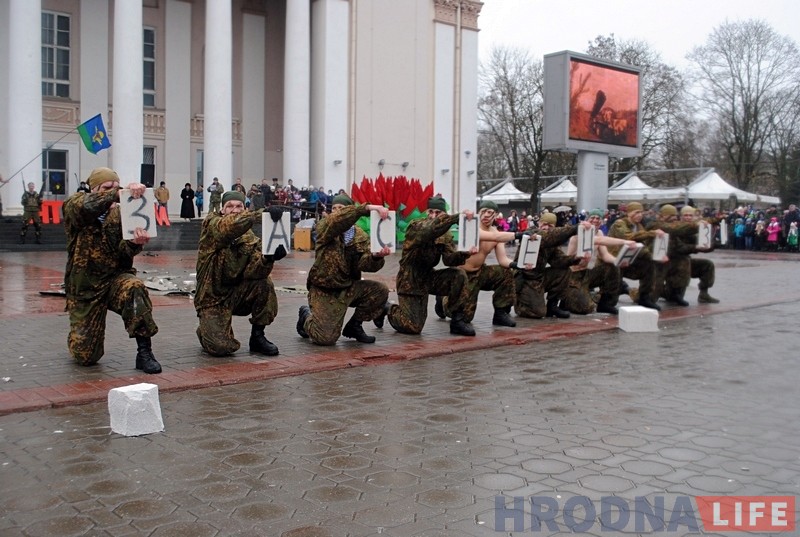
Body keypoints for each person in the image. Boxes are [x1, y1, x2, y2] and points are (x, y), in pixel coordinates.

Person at [62, 167, 162, 374]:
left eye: (116, 187)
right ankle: (78, 335)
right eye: (107, 187)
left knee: (135, 288)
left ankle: (144, 352)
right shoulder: (75, 206)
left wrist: (135, 244)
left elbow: (123, 253)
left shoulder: (121, 214)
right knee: (87, 357)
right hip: (86, 289)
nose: (115, 192)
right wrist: (116, 193)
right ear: (93, 189)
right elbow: (83, 207)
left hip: (114, 281)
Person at [194, 191, 287, 357]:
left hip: (237, 294)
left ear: (244, 208)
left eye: (239, 206)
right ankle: (206, 329)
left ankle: (258, 336)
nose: (235, 209)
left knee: (264, 283)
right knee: (221, 348)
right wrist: (259, 215)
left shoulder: (250, 239)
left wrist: (268, 258)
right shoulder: (211, 223)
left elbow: (254, 272)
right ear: (222, 210)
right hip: (212, 298)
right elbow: (228, 228)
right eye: (230, 206)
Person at [374, 196, 478, 336]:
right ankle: (386, 308)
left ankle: (457, 321)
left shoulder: (445, 234)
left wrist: (464, 253)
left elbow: (449, 260)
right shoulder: (416, 225)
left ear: (444, 213)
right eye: (430, 211)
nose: (433, 215)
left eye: (438, 212)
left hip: (428, 276)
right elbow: (430, 230)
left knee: (458, 275)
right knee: (413, 327)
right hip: (410, 280)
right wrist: (455, 218)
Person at [296, 194, 391, 346]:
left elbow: (366, 265)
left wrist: (375, 256)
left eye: (341, 208)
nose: (336, 211)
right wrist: (366, 208)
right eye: (334, 208)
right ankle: (305, 315)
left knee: (380, 290)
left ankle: (355, 325)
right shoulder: (324, 227)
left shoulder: (360, 236)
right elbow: (338, 221)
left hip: (348, 287)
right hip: (324, 290)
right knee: (325, 338)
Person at [439, 200, 517, 327]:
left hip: (480, 272)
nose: (486, 215)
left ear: (496, 215)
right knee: (465, 317)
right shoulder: (472, 227)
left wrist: (517, 265)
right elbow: (495, 237)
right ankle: (443, 301)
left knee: (505, 272)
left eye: (490, 212)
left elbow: (503, 260)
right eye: (483, 211)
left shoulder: (496, 232)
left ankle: (500, 313)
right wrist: (518, 235)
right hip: (463, 274)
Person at [562, 209, 637, 315]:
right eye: (592, 218)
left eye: (598, 218)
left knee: (612, 266)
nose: (595, 220)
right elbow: (599, 240)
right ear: (587, 220)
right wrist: (625, 242)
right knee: (585, 308)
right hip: (574, 276)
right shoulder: (580, 232)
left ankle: (606, 303)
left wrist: (618, 261)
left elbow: (605, 255)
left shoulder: (600, 232)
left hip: (588, 273)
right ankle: (569, 299)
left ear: (601, 221)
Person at [607, 201, 665, 311]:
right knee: (612, 291)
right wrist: (651, 233)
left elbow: (643, 245)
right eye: (636, 212)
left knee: (648, 265)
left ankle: (644, 297)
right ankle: (610, 299)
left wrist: (652, 256)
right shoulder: (619, 223)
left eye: (641, 212)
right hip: (614, 260)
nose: (640, 215)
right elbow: (628, 236)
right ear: (629, 213)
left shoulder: (639, 226)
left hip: (630, 259)